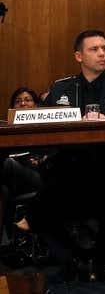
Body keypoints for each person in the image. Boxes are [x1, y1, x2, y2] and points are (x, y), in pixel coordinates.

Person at [22, 29, 105, 281]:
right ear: (79, 56)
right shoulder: (61, 89)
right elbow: (40, 121)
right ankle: (76, 256)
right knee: (38, 211)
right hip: (71, 167)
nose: (102, 53)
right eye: (94, 49)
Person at [0, 88, 44, 242]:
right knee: (3, 190)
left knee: (5, 164)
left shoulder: (48, 127)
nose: (23, 104)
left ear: (36, 105)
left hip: (37, 177)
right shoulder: (6, 130)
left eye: (27, 100)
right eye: (18, 101)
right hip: (12, 179)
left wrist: (39, 161)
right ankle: (6, 244)